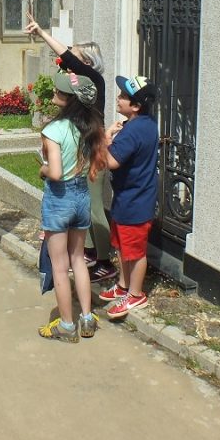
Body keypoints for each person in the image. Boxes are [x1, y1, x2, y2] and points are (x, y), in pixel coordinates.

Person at [25, 12, 118, 283]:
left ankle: (104, 260)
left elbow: (65, 55)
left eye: (74, 56)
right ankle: (89, 250)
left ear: (86, 62)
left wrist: (42, 34)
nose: (68, 59)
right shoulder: (79, 85)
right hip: (81, 151)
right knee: (84, 206)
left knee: (95, 208)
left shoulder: (93, 83)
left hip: (91, 154)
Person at [37, 72, 109, 342]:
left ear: (69, 99)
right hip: (81, 196)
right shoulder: (89, 126)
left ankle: (67, 325)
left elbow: (55, 172)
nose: (56, 91)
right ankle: (87, 318)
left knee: (59, 265)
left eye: (60, 90)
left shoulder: (54, 130)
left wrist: (43, 169)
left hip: (59, 198)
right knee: (78, 259)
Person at [99, 75, 160, 320]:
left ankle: (135, 294)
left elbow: (111, 162)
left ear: (135, 106)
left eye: (124, 96)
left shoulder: (132, 131)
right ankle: (124, 286)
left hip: (134, 202)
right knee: (123, 247)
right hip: (130, 199)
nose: (119, 98)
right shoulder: (145, 124)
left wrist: (105, 139)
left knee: (134, 252)